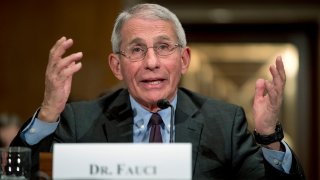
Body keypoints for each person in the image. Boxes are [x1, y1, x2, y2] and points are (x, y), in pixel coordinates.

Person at [11, 3, 305, 179]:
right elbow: (16, 175)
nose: (151, 62)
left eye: (164, 47)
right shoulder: (79, 120)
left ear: (184, 59)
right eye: (137, 49)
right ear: (117, 66)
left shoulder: (224, 122)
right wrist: (49, 112)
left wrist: (268, 136)